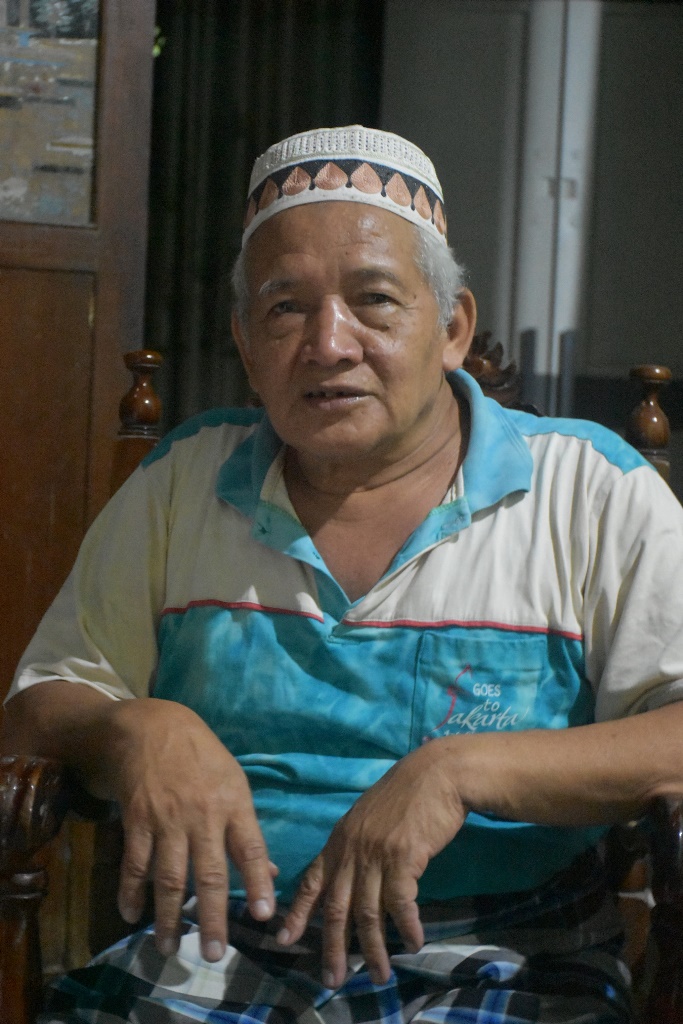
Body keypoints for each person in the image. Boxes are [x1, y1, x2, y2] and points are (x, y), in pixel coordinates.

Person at [4, 125, 683, 1024]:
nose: (328, 344)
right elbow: (38, 708)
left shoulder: (585, 488)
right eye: (286, 309)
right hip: (211, 947)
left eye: (374, 301)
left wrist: (458, 772)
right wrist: (136, 728)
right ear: (245, 342)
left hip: (510, 952)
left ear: (451, 327)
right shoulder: (183, 485)